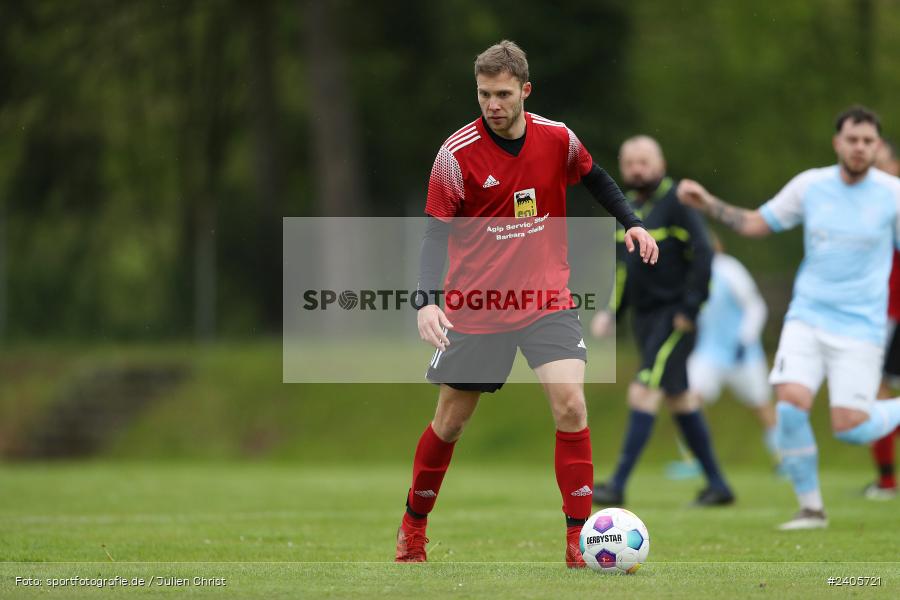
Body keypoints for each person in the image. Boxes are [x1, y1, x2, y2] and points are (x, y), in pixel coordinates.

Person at [395, 40, 658, 567]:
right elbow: (433, 236)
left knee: (571, 405)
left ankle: (578, 541)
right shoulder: (456, 156)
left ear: (525, 90)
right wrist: (426, 302)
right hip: (477, 309)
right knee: (450, 422)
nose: (492, 104)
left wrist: (632, 223)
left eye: (502, 94)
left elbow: (597, 177)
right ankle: (413, 529)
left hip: (546, 300)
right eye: (484, 93)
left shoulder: (557, 139)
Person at [678, 105, 900, 530]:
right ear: (838, 142)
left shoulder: (892, 194)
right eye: (852, 139)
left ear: (877, 147)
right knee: (791, 406)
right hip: (808, 318)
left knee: (851, 427)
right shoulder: (812, 186)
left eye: (868, 141)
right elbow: (759, 223)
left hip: (861, 329)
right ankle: (811, 509)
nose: (859, 147)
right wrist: (709, 203)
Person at [590, 135, 736, 508]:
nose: (637, 169)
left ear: (661, 163)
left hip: (675, 318)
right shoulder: (627, 210)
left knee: (643, 389)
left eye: (645, 161)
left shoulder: (678, 203)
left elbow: (704, 255)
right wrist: (612, 313)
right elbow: (625, 272)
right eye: (630, 163)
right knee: (681, 400)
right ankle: (718, 486)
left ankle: (617, 485)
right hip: (645, 319)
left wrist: (690, 308)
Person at [675, 236, 780, 475]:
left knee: (762, 404)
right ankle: (693, 459)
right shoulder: (691, 273)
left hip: (742, 352)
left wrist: (745, 339)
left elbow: (755, 306)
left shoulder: (729, 269)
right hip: (708, 352)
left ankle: (782, 457)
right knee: (690, 398)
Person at [864, 139, 900, 500]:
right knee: (874, 398)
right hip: (875, 314)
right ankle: (886, 481)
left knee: (876, 396)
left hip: (893, 315)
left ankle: (887, 482)